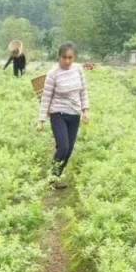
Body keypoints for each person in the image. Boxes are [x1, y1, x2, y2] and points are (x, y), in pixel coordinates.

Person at [38, 42, 90, 187]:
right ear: (59, 57)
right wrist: (41, 119)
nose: (67, 61)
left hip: (74, 114)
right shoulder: (53, 74)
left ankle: (57, 176)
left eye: (70, 58)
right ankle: (52, 178)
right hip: (58, 113)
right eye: (64, 57)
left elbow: (83, 91)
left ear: (74, 57)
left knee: (69, 149)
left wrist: (85, 110)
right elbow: (46, 97)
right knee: (63, 147)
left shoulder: (78, 69)